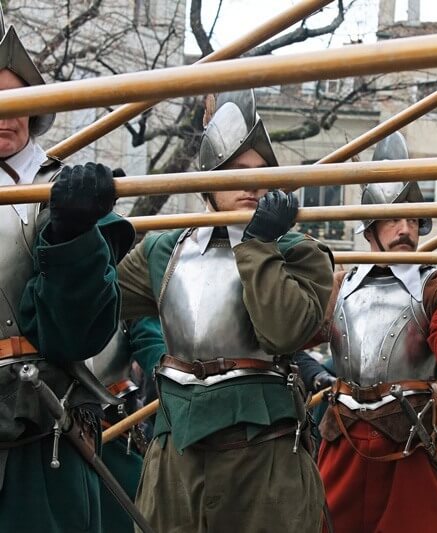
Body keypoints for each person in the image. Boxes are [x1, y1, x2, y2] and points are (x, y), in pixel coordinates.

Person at [116, 90, 333, 532]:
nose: (251, 184)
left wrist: (257, 245)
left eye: (260, 173)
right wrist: (85, 234)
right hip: (175, 452)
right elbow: (97, 305)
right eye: (236, 171)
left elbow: (284, 332)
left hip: (263, 453)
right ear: (210, 179)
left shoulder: (302, 252)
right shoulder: (164, 249)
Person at [315, 132, 437, 533]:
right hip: (346, 436)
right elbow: (290, 337)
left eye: (411, 219)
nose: (405, 228)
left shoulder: (436, 285)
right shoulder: (340, 283)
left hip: (416, 440)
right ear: (370, 228)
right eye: (392, 217)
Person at [0, 7, 136, 532]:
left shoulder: (66, 191)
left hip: (42, 434)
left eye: (17, 99)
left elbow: (75, 333)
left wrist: (73, 235)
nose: (6, 113)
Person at [86, 317, 165, 533]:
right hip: (43, 424)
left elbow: (149, 337)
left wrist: (168, 373)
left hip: (110, 422)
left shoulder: (124, 292)